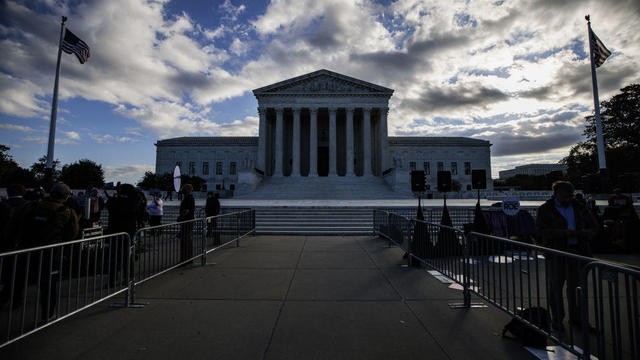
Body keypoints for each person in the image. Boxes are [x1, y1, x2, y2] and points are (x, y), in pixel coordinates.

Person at [8, 183, 78, 321]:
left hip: (25, 248)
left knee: (19, 277)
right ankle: (48, 314)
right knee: (48, 284)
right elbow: (72, 233)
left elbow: (13, 224)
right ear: (66, 196)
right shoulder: (67, 212)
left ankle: (15, 301)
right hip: (50, 252)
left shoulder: (31, 206)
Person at [536, 181, 598, 331]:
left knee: (577, 288)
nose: (568, 199)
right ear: (556, 194)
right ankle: (557, 319)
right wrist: (564, 233)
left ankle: (578, 319)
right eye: (564, 196)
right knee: (556, 288)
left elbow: (594, 226)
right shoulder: (545, 209)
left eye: (570, 196)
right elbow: (540, 230)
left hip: (578, 251)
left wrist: (584, 234)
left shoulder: (580, 208)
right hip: (556, 253)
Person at [105, 183, 138, 287]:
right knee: (128, 256)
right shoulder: (132, 202)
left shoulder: (113, 201)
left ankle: (112, 280)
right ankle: (128, 278)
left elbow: (109, 206)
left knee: (113, 257)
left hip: (114, 231)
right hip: (128, 232)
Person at [178, 184, 195, 264]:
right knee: (188, 240)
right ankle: (188, 259)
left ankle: (184, 260)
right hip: (189, 221)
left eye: (184, 189)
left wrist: (180, 217)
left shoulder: (188, 198)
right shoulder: (189, 198)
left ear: (188, 190)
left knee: (185, 241)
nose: (183, 191)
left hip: (187, 221)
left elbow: (187, 210)